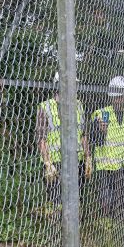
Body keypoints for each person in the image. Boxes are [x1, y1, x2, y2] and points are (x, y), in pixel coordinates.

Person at [36, 73, 91, 213]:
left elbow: (83, 134)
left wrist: (88, 157)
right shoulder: (45, 107)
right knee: (57, 203)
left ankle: (76, 231)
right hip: (56, 163)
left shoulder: (78, 105)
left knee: (76, 202)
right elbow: (41, 138)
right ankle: (57, 231)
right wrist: (48, 163)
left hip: (76, 161)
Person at [90, 76, 124, 217]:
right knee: (106, 201)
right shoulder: (100, 114)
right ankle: (107, 227)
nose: (118, 99)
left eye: (121, 96)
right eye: (116, 97)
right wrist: (101, 131)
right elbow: (94, 141)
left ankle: (121, 226)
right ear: (111, 97)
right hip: (104, 166)